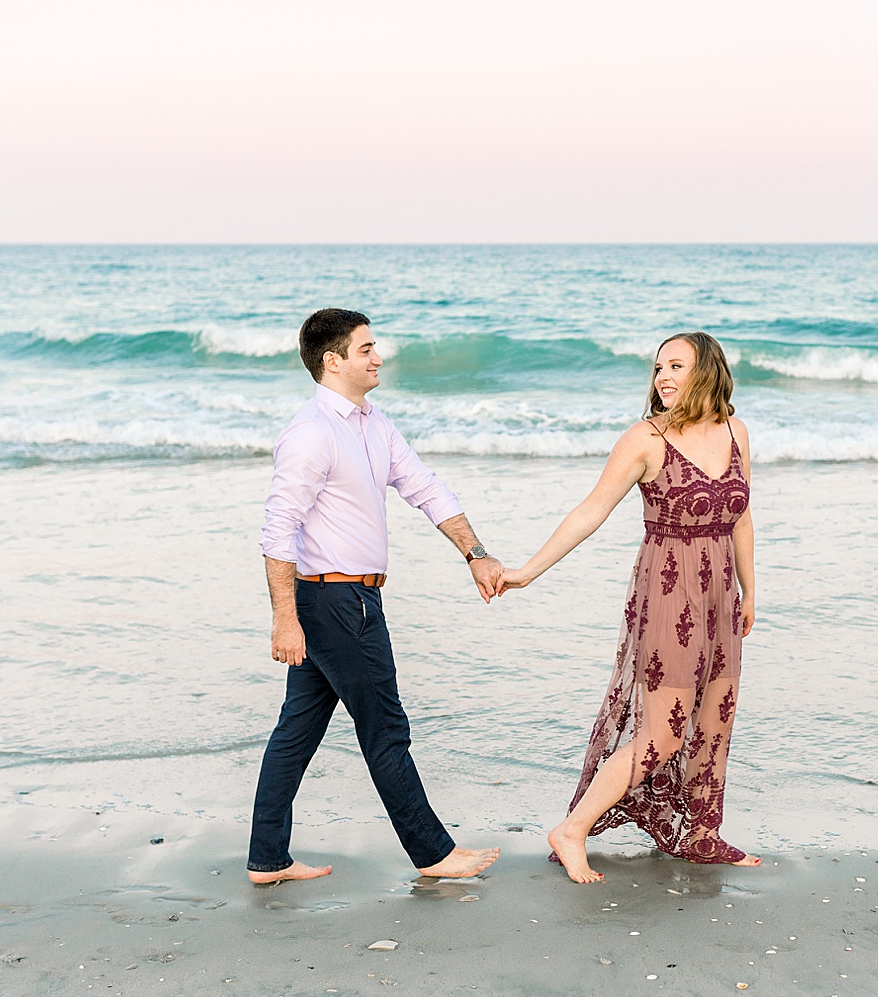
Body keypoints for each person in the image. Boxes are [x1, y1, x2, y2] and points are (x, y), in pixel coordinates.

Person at [248, 307, 502, 884]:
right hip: (334, 605)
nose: (377, 356)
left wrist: (476, 553)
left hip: (350, 601)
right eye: (365, 349)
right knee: (386, 729)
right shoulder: (311, 433)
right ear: (332, 362)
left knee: (297, 730)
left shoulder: (372, 423)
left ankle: (267, 857)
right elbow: (277, 530)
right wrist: (285, 621)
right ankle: (433, 853)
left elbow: (424, 487)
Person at [498, 332, 760, 883]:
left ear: (708, 372)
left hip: (721, 595)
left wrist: (751, 590)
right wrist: (526, 571)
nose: (662, 376)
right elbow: (589, 512)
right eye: (659, 367)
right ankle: (572, 829)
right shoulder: (645, 439)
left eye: (676, 366)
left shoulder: (736, 432)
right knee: (663, 732)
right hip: (668, 592)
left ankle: (700, 834)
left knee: (716, 718)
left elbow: (740, 516)